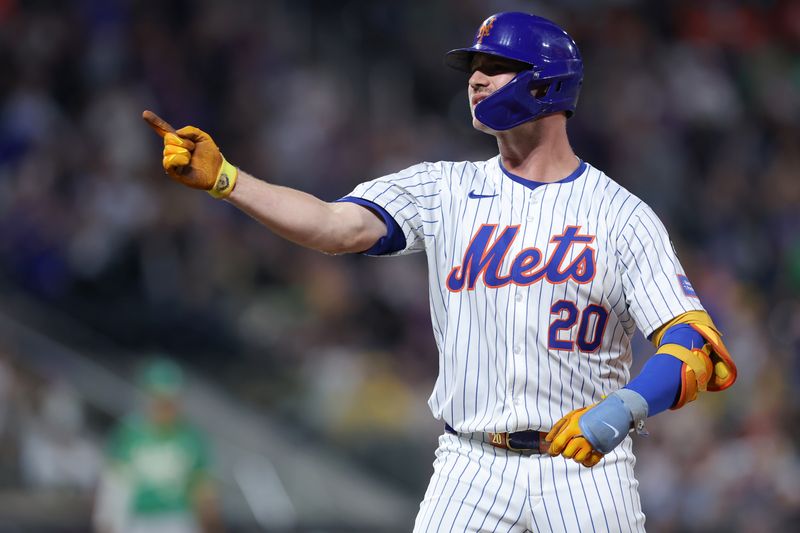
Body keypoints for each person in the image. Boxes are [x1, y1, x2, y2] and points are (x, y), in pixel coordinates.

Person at [143, 12, 737, 532]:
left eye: (495, 65)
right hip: (469, 464)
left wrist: (625, 407)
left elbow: (693, 348)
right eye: (472, 67)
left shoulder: (621, 216)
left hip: (585, 470)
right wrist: (230, 181)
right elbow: (332, 226)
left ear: (548, 83)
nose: (475, 79)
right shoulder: (442, 188)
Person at [93, 358, 221, 533]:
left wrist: (211, 525)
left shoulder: (192, 438)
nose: (165, 406)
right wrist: (106, 522)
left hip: (178, 520)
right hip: (137, 520)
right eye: (159, 399)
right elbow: (114, 485)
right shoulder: (129, 433)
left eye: (170, 399)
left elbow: (202, 492)